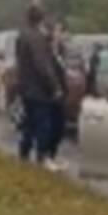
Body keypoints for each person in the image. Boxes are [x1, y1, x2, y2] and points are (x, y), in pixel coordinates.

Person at [15, 5, 63, 167]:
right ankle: (42, 157)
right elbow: (42, 65)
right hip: (39, 89)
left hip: (26, 87)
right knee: (44, 124)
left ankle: (24, 154)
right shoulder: (37, 39)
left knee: (29, 123)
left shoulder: (22, 36)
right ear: (41, 19)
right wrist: (54, 86)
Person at [42, 20, 70, 166]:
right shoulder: (45, 50)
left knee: (60, 126)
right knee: (50, 125)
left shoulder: (61, 50)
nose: (61, 34)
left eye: (62, 30)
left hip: (61, 93)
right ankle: (46, 156)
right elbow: (46, 71)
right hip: (50, 94)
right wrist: (54, 88)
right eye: (58, 30)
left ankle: (53, 154)